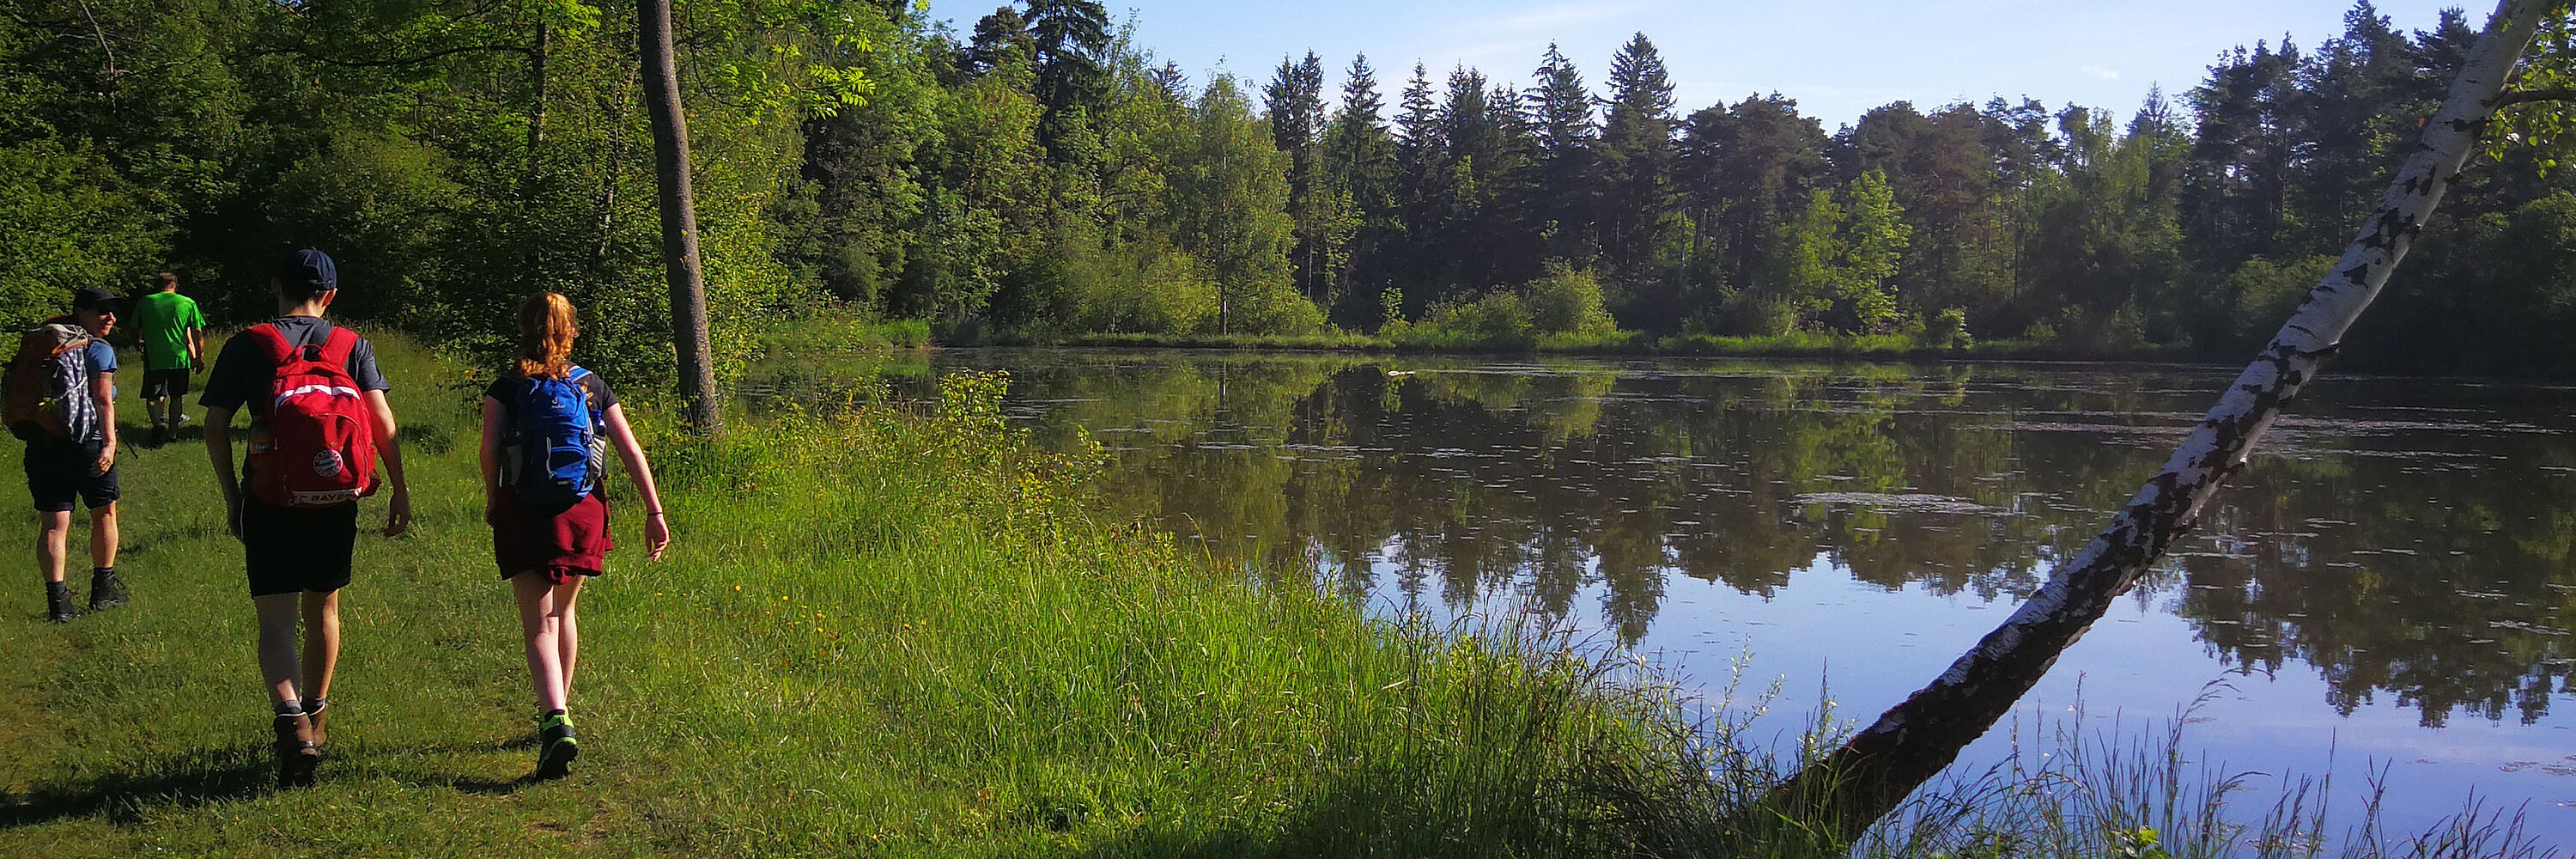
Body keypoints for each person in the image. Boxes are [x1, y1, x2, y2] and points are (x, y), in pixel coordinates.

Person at [201, 249, 411, 787]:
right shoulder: (350, 345)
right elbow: (382, 423)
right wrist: (399, 492)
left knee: (274, 619)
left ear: (278, 287)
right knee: (324, 609)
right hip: (335, 499)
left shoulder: (248, 346)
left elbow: (216, 426)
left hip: (269, 499)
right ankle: (316, 718)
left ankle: (290, 723)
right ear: (331, 294)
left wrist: (232, 496)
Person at [480, 291, 668, 780]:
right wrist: (654, 510)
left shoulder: (506, 387)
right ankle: (559, 711)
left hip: (526, 508)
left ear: (523, 328)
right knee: (564, 611)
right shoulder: (591, 386)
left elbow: (489, 448)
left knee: (537, 620)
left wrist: (493, 495)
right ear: (571, 332)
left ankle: (553, 719)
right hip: (583, 509)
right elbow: (629, 450)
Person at [21, 287, 125, 622]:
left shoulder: (44, 343)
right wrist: (110, 444)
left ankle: (58, 604)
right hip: (88, 444)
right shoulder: (98, 350)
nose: (110, 317)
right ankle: (103, 591)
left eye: (112, 310)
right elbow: (103, 400)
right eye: (101, 310)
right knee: (104, 515)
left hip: (44, 445)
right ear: (80, 312)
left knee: (54, 523)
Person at [129, 271, 206, 447]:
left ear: (158, 285)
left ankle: (158, 425)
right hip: (179, 357)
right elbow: (198, 332)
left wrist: (137, 344)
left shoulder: (146, 302)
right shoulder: (187, 303)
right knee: (176, 396)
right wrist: (199, 357)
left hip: (153, 356)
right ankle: (172, 432)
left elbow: (133, 328)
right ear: (175, 286)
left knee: (153, 395)